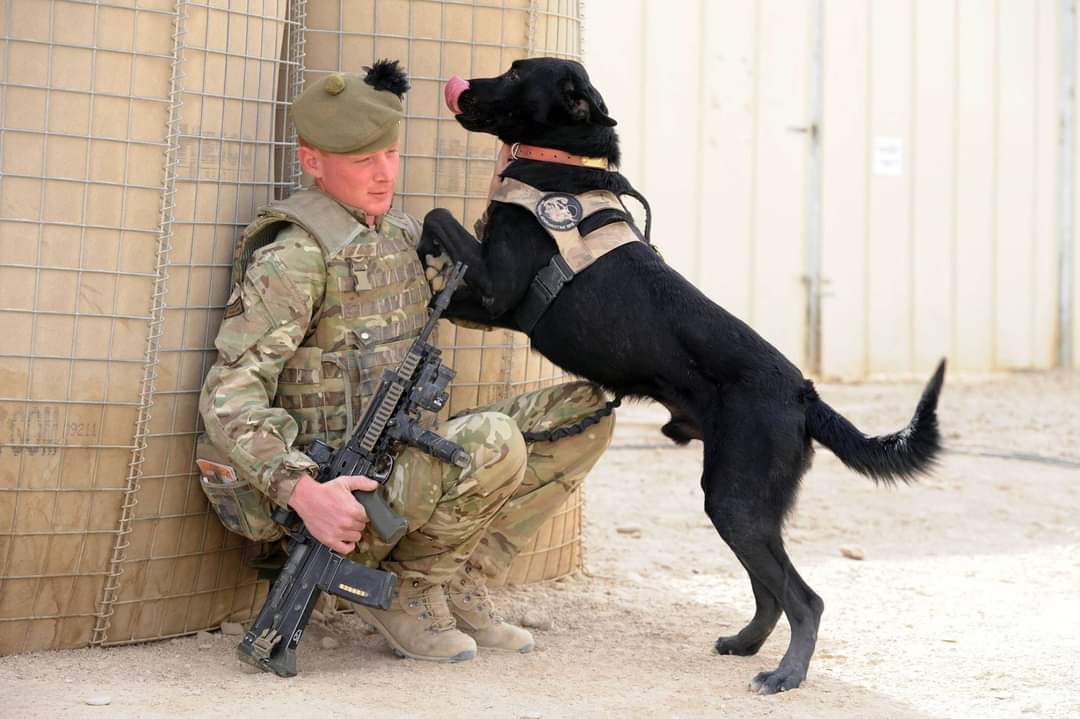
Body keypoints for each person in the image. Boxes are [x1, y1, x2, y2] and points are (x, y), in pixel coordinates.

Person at [196, 60, 615, 663]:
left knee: (586, 411)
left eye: (390, 154)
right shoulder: (294, 258)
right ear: (313, 161)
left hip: (398, 459)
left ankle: (459, 575)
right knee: (494, 438)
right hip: (332, 492)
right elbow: (228, 396)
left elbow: (481, 300)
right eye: (363, 160)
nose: (384, 174)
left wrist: (512, 196)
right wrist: (305, 492)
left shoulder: (397, 232)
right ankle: (406, 591)